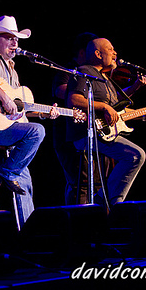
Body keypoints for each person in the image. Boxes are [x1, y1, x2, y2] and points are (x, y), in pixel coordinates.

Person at [0, 15, 59, 227]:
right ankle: (9, 171)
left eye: (16, 39)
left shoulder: (12, 69)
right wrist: (5, 98)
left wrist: (45, 113)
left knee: (23, 175)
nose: (14, 43)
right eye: (8, 38)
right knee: (36, 133)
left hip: (8, 130)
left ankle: (27, 230)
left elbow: (19, 110)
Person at [66, 37, 146, 209]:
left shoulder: (106, 80)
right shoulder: (84, 71)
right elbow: (73, 100)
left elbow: (118, 112)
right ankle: (111, 201)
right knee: (134, 155)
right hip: (87, 133)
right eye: (111, 49)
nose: (115, 53)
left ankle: (106, 199)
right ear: (98, 54)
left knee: (135, 155)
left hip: (105, 132)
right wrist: (104, 106)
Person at [51, 32, 100, 204]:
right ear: (82, 52)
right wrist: (89, 97)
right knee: (78, 182)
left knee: (95, 183)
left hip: (87, 134)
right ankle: (75, 222)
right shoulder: (69, 70)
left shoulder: (94, 74)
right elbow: (60, 90)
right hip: (66, 134)